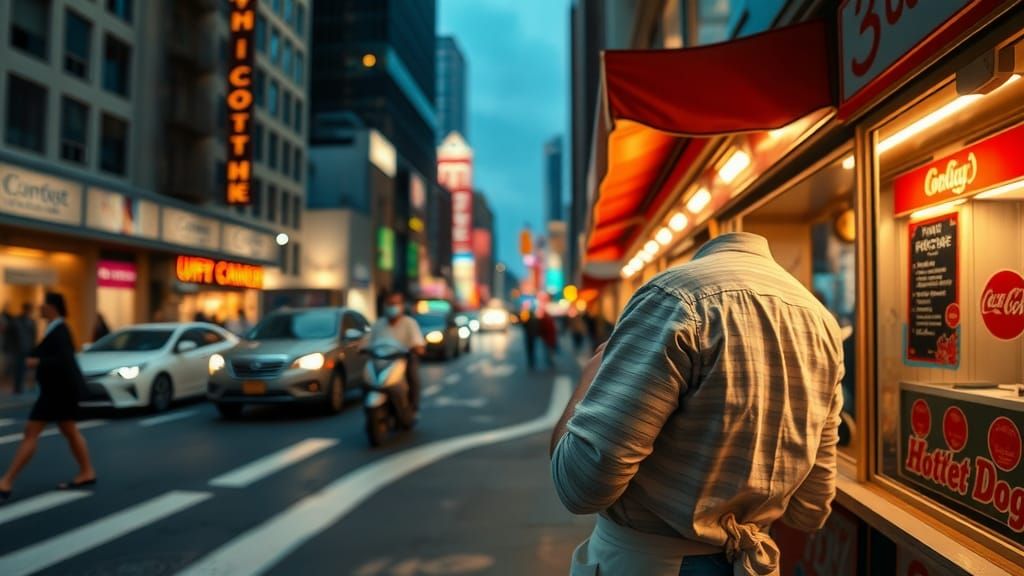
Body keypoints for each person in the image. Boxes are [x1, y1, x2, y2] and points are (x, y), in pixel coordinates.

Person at [550, 233, 844, 576]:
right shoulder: (823, 324)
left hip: (647, 563)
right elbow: (811, 509)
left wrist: (590, 377)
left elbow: (579, 486)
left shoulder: (672, 298)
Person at [0, 292, 98, 503]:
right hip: (57, 392)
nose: (40, 308)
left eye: (44, 304)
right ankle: (87, 472)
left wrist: (38, 362)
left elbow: (63, 361)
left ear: (53, 307)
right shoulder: (54, 328)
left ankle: (6, 482)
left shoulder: (61, 330)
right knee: (69, 431)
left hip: (58, 393)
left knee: (31, 432)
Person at [368, 292, 426, 411]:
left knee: (413, 376)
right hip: (382, 360)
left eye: (396, 303)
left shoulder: (410, 323)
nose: (392, 307)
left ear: (402, 306)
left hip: (404, 359)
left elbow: (418, 344)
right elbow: (369, 342)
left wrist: (416, 348)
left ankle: (413, 406)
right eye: (390, 304)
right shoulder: (378, 324)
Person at [11, 304, 36, 394]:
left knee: (27, 369)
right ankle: (18, 388)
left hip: (27, 348)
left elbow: (33, 336)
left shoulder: (31, 322)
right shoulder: (17, 321)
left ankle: (28, 387)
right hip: (18, 349)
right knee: (18, 369)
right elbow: (12, 335)